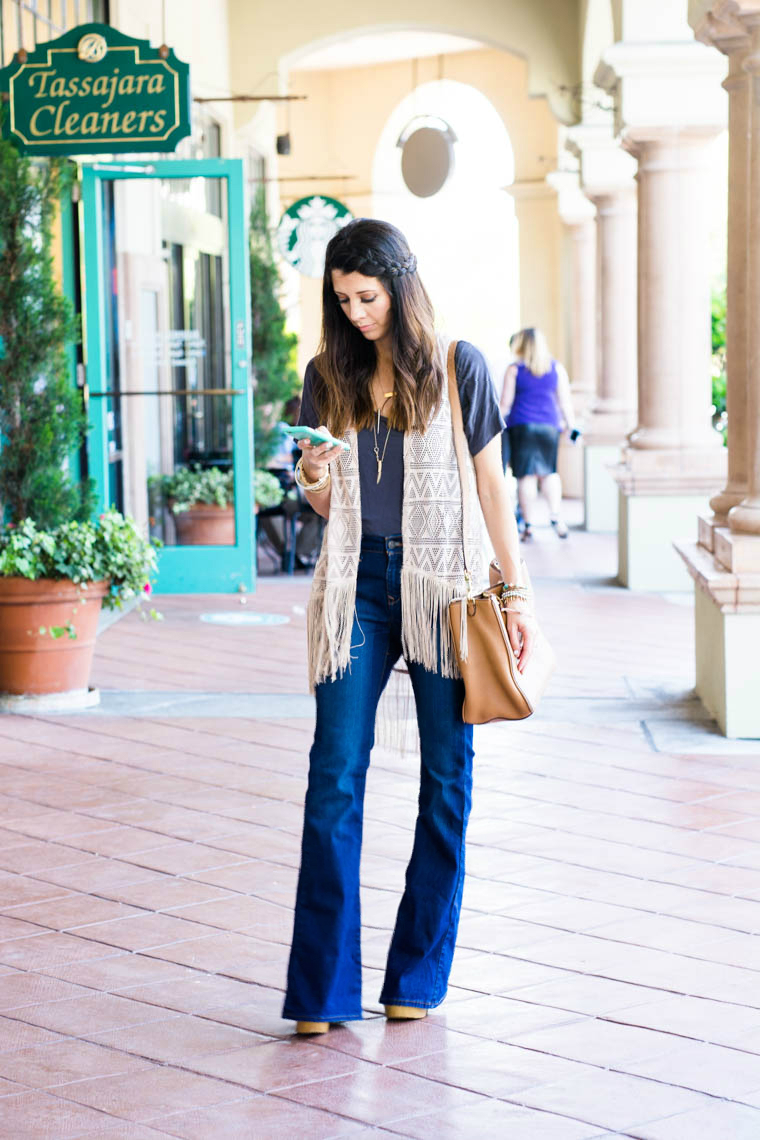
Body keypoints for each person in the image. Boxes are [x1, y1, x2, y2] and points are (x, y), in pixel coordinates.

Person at [283, 218, 536, 1035]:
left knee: (447, 783)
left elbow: (494, 492)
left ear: (399, 283)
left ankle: (414, 977)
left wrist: (518, 593)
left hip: (447, 588)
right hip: (355, 585)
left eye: (367, 296)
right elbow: (325, 506)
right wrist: (315, 473)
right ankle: (321, 992)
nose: (356, 313)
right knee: (333, 779)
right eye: (342, 300)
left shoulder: (460, 366)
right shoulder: (328, 376)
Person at [499, 327, 578, 541]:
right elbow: (564, 401)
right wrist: (572, 426)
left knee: (525, 476)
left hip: (522, 426)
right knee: (549, 472)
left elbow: (505, 404)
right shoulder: (556, 368)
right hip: (549, 427)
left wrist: (493, 424)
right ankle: (555, 517)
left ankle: (529, 524)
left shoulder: (514, 370)